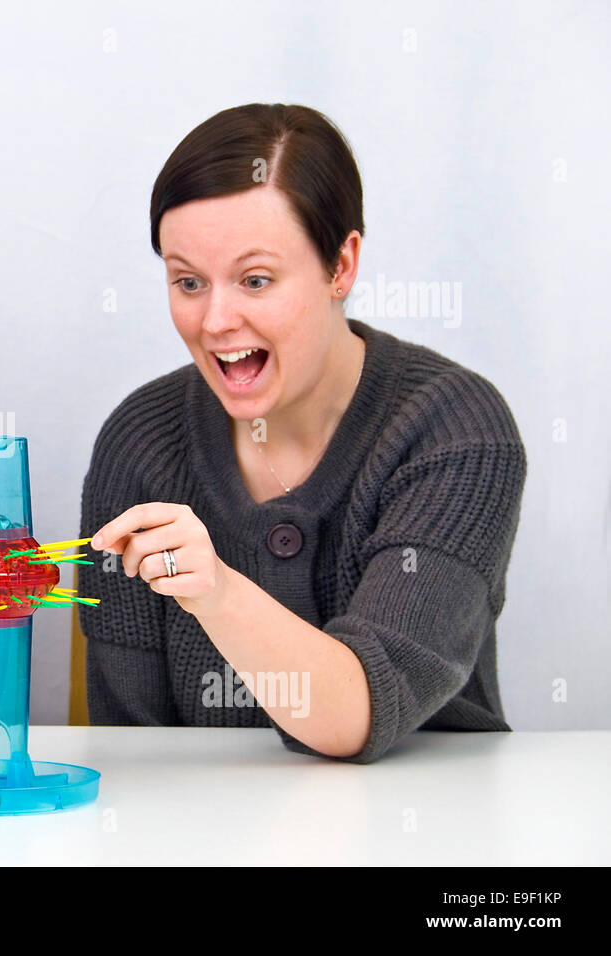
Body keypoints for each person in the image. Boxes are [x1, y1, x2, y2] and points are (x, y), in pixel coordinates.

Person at [79, 104, 526, 763]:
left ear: (340, 265)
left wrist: (219, 593)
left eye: (255, 279)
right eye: (188, 282)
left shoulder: (457, 430)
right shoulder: (140, 442)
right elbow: (134, 756)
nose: (215, 320)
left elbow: (360, 712)